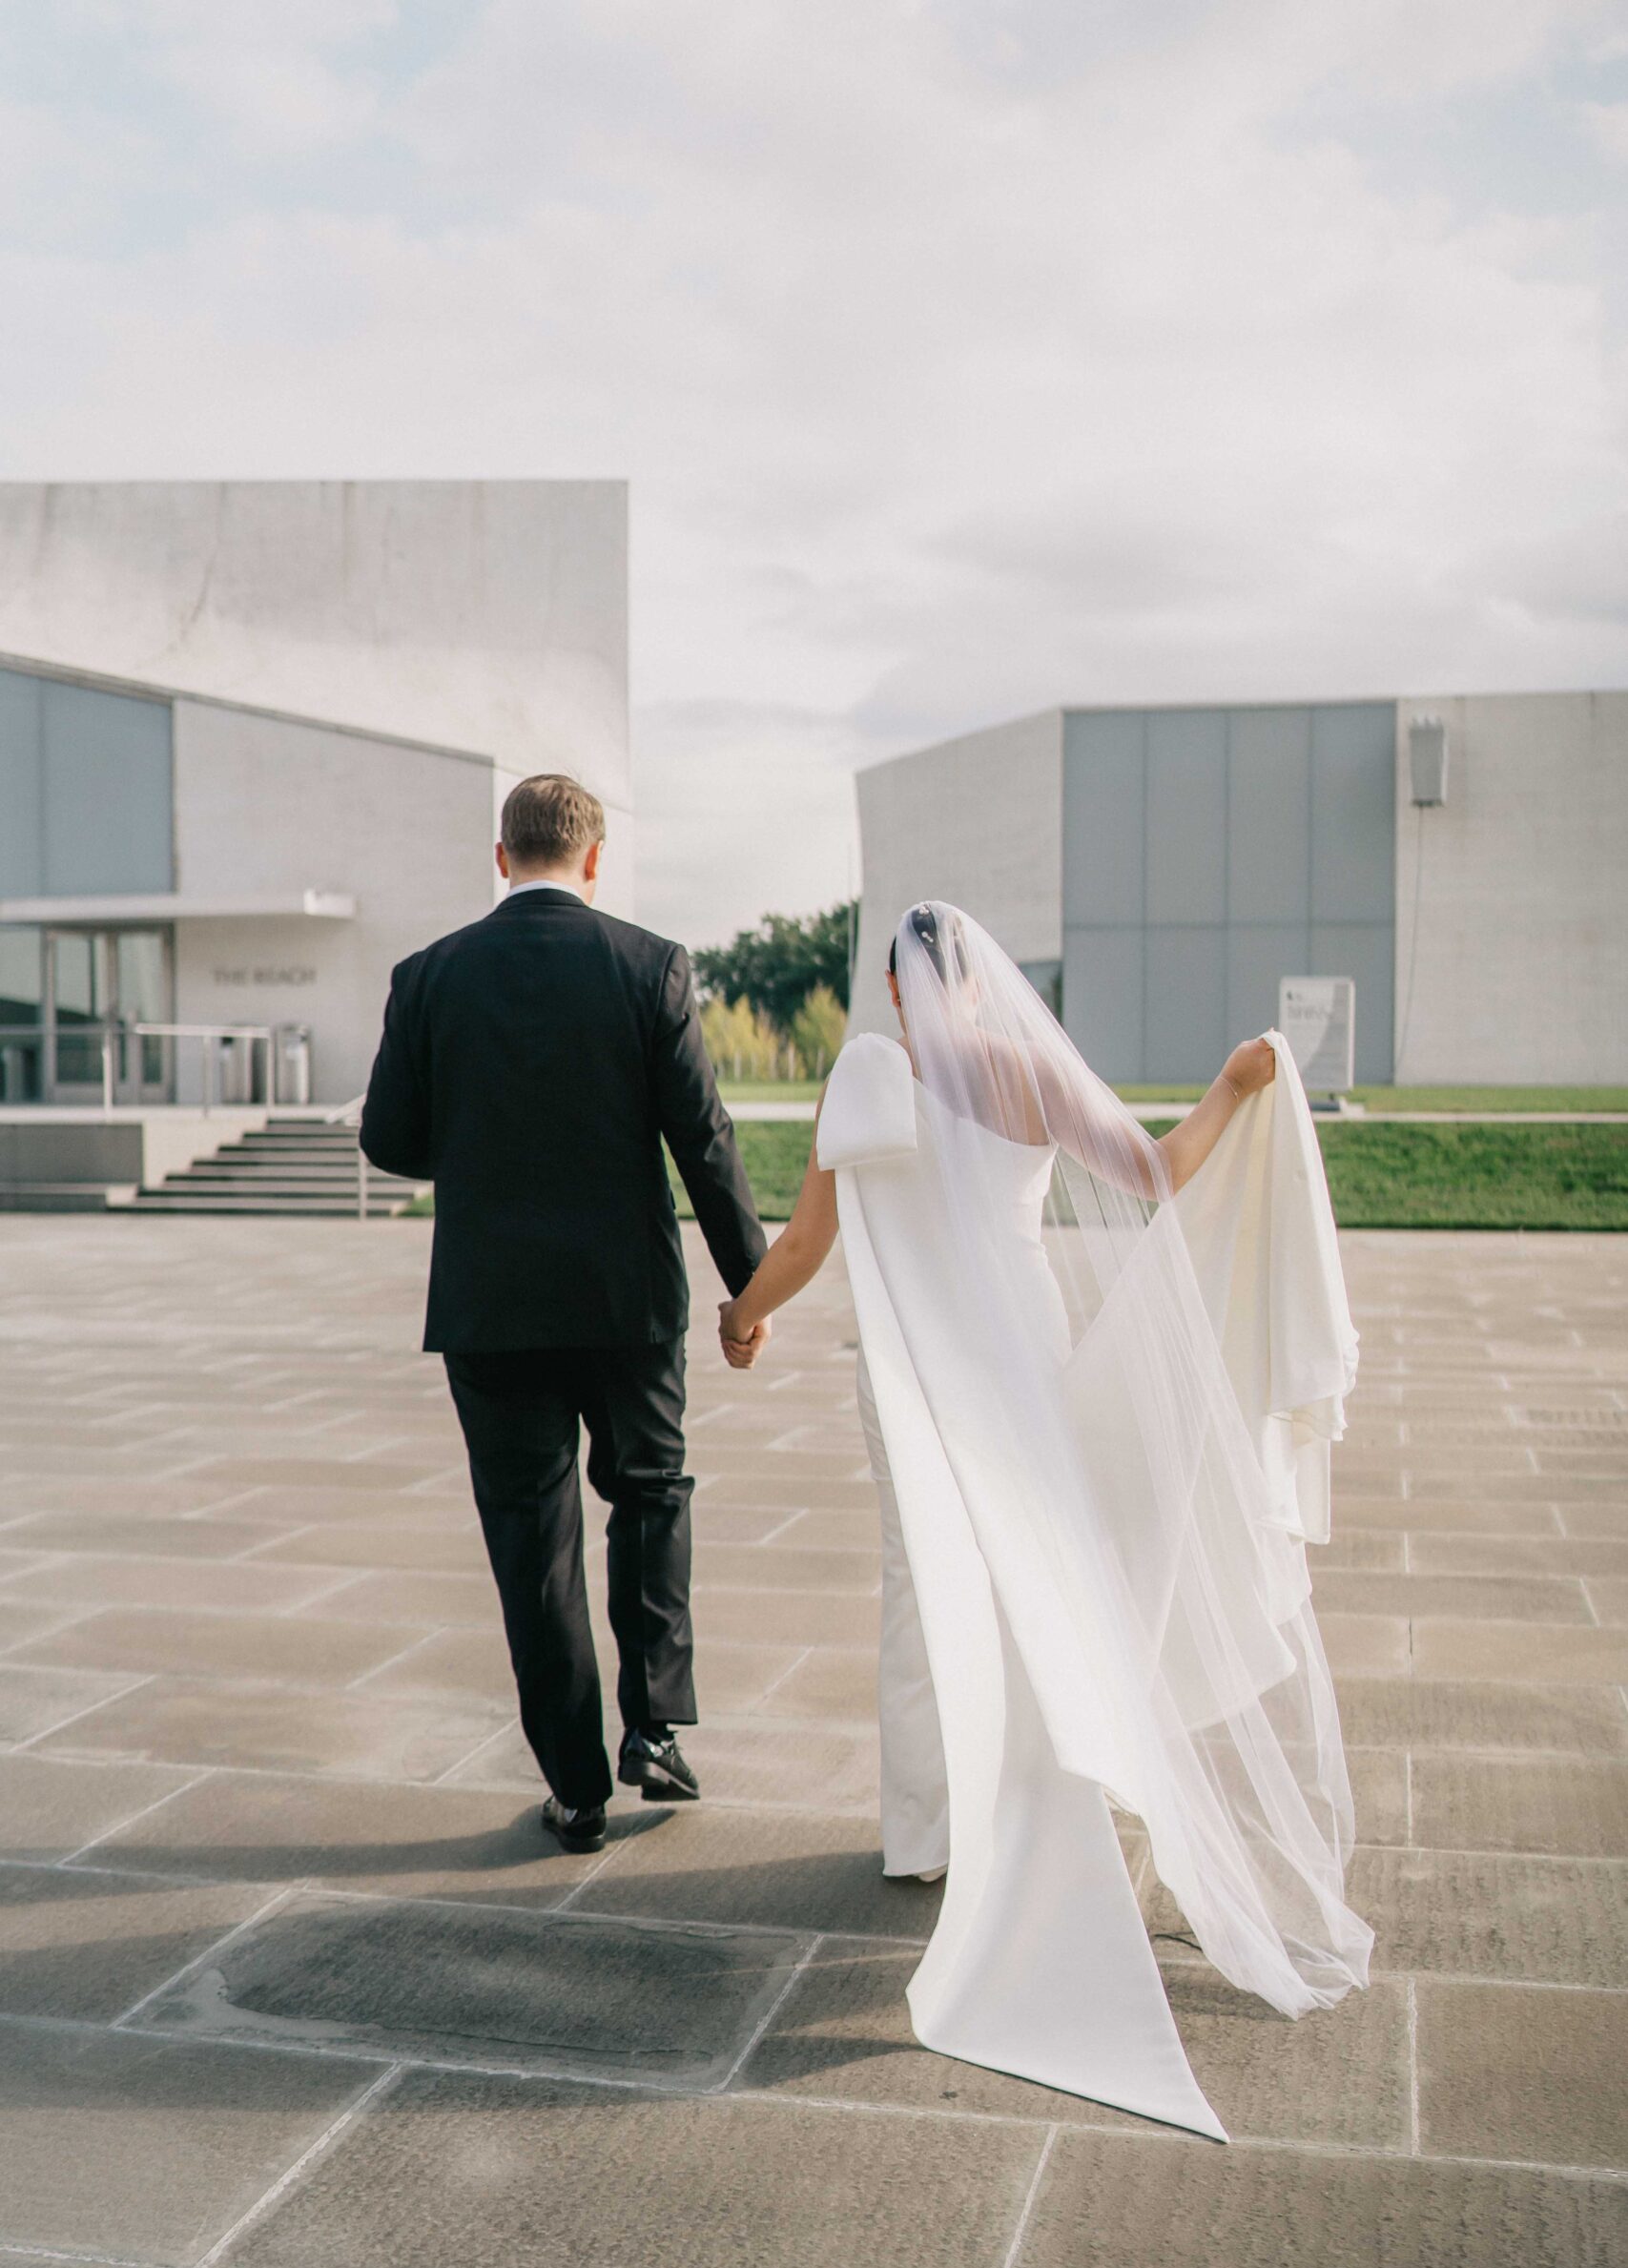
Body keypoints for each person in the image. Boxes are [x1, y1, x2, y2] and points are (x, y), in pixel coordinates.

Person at [716, 900, 1370, 2137]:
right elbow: (1159, 1173)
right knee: (1035, 1577)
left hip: (910, 1367)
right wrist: (1233, 1084)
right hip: (1019, 1351)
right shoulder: (1022, 1072)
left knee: (920, 1581)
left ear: (901, 992)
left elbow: (808, 1237)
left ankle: (923, 1832)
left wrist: (744, 1313)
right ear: (978, 984)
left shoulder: (867, 1075)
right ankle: (1053, 1778)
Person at [360, 774, 767, 1856]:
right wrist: (748, 1287)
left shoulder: (429, 975)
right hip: (628, 1301)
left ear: (502, 858)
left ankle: (577, 1790)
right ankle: (657, 1728)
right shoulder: (651, 966)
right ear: (594, 862)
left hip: (491, 1309)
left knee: (532, 1542)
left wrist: (486, 1136)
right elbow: (706, 1138)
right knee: (651, 1493)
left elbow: (388, 1141)